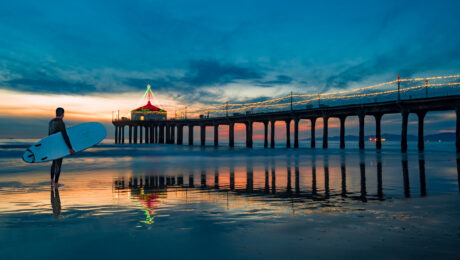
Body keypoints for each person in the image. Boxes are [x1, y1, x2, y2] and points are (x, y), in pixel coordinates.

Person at [49, 107, 75, 186]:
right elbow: (65, 136)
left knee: (54, 163)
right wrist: (70, 148)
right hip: (59, 146)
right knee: (58, 164)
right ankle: (56, 183)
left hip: (52, 145)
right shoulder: (61, 123)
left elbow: (49, 135)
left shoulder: (51, 122)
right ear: (62, 114)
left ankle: (52, 181)